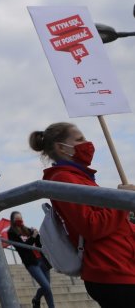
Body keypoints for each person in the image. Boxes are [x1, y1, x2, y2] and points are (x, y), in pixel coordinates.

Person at [29, 122, 135, 307]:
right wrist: (122, 201)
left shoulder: (79, 178)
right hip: (111, 271)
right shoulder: (63, 179)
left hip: (122, 266)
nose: (87, 143)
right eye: (79, 139)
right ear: (61, 147)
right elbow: (91, 226)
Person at [7, 211, 53, 308]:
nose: (19, 220)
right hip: (31, 263)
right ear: (12, 220)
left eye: (20, 218)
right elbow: (23, 248)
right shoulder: (11, 233)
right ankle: (36, 298)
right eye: (17, 219)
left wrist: (37, 234)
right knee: (46, 287)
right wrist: (32, 237)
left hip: (42, 260)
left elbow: (39, 244)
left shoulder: (27, 230)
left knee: (48, 289)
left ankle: (43, 302)